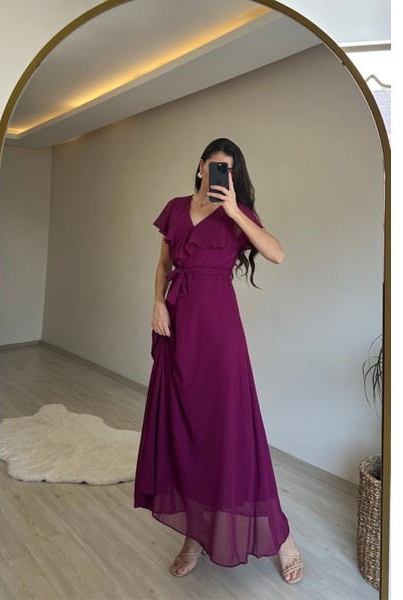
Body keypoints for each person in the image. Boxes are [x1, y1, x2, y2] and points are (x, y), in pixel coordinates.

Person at [133, 138, 304, 585]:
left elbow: (277, 253)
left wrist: (234, 211)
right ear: (200, 166)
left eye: (228, 170)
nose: (220, 175)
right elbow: (164, 264)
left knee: (230, 433)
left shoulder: (237, 213)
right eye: (214, 166)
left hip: (219, 334)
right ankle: (194, 536)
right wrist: (157, 303)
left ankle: (282, 537)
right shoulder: (175, 208)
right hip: (177, 326)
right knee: (183, 432)